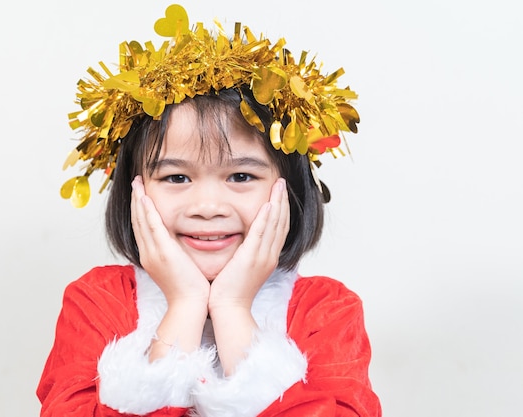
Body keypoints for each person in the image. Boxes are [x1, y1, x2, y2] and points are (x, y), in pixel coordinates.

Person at [37, 4, 381, 416]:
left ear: (290, 191)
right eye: (176, 178)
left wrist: (233, 308)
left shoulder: (326, 310)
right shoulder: (97, 301)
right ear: (133, 189)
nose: (207, 207)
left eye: (240, 177)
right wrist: (183, 305)